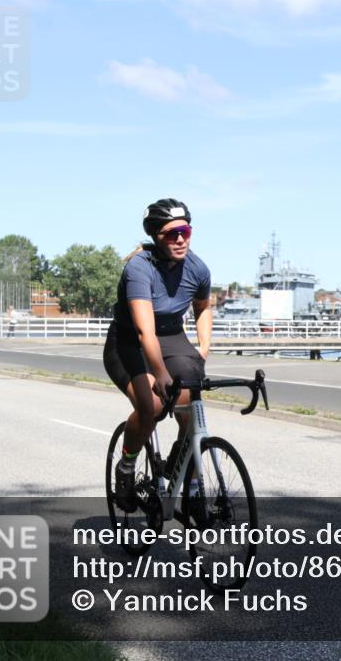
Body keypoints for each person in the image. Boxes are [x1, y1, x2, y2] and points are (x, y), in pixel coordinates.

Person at [103, 198, 213, 511]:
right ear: (156, 237)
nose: (180, 238)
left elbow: (203, 308)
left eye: (185, 231)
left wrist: (203, 348)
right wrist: (161, 374)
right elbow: (144, 333)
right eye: (171, 233)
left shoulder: (198, 267)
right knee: (151, 405)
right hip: (129, 342)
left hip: (171, 337)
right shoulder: (139, 269)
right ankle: (126, 467)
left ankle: (185, 475)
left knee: (194, 403)